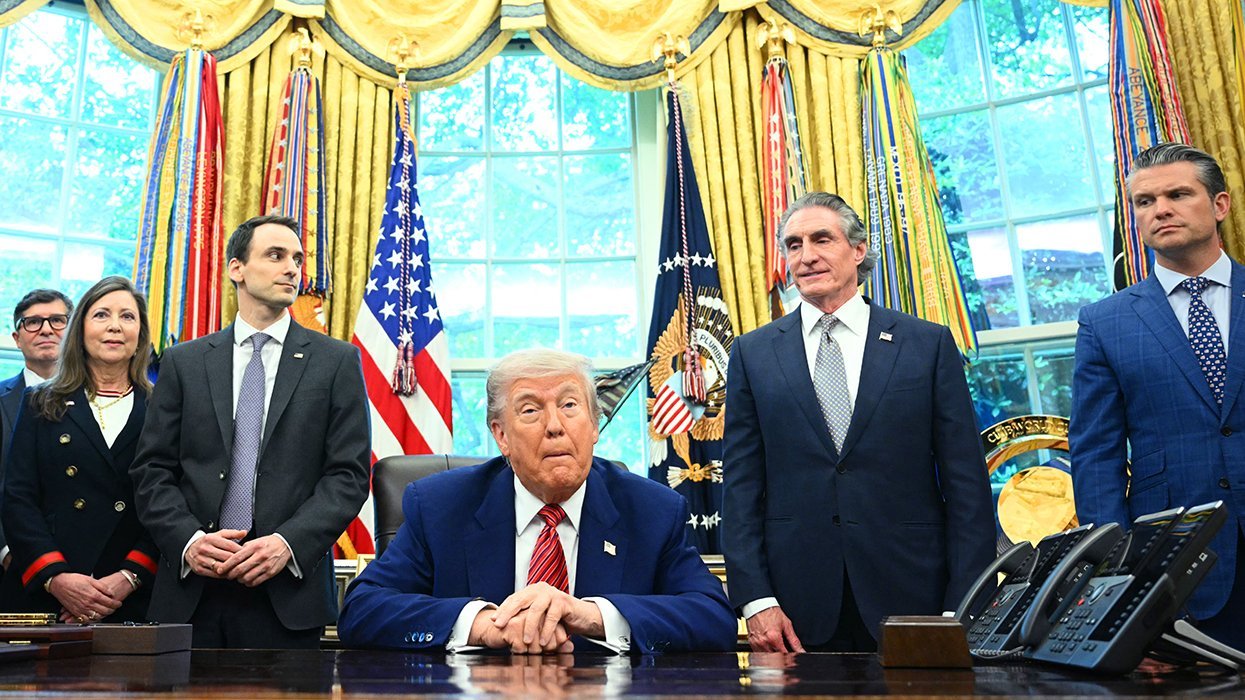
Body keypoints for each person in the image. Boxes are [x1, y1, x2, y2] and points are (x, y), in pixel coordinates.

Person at [721, 192, 995, 652]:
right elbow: (742, 488)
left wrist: (963, 602)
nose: (805, 256)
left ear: (858, 249)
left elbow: (966, 483)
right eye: (793, 245)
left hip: (915, 595)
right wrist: (756, 600)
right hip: (796, 609)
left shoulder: (925, 345)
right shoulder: (753, 354)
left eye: (821, 239)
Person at [337, 348, 737, 654]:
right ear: (501, 435)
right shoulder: (442, 506)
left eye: (569, 405)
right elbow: (363, 610)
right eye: (530, 410)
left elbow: (712, 617)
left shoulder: (652, 510)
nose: (555, 427)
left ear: (595, 425)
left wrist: (590, 615)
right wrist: (483, 625)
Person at [130, 214, 370, 648]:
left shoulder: (337, 362)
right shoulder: (185, 361)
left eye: (297, 258)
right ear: (235, 268)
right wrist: (188, 541)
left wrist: (287, 543)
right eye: (275, 255)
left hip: (287, 596)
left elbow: (348, 476)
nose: (292, 268)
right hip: (190, 595)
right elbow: (152, 470)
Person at [1072, 142, 1245, 649]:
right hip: (1178, 564)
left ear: (1220, 205)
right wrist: (1116, 576)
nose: (1160, 209)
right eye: (1144, 201)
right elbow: (1096, 455)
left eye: (1177, 194)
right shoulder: (1104, 323)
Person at [0, 277, 156, 621]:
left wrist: (128, 577)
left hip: (129, 598)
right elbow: (18, 498)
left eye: (127, 317)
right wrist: (57, 578)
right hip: (46, 595)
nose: (115, 326)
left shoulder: (162, 406)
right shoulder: (40, 401)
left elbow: (173, 501)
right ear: (80, 329)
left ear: (141, 333)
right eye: (101, 315)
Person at [0, 289, 73, 570]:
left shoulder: (101, 401)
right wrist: (6, 550)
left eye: (57, 320)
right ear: (17, 339)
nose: (46, 330)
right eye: (33, 322)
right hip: (11, 567)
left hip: (88, 569)